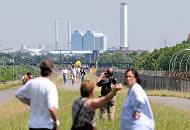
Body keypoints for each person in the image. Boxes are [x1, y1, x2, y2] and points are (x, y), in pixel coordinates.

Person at [15, 59, 60, 130]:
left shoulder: (32, 83)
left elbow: (18, 94)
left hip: (33, 125)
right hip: (46, 125)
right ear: (51, 70)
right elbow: (51, 109)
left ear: (40, 69)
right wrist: (56, 121)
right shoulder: (51, 86)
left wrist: (31, 102)